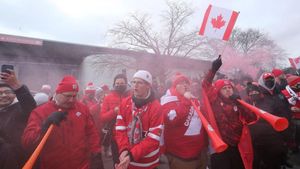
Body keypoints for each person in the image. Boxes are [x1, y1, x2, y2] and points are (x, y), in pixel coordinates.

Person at [22, 75, 104, 169]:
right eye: (68, 96)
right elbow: (27, 142)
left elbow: (92, 133)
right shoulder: (40, 112)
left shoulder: (82, 109)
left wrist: (96, 155)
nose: (71, 100)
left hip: (81, 165)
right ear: (57, 93)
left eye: (74, 96)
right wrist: (45, 125)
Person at [202, 56, 256, 169]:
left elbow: (251, 118)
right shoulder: (215, 101)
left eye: (229, 87)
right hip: (220, 147)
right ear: (218, 91)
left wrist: (240, 103)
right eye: (224, 88)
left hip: (238, 146)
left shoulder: (237, 102)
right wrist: (213, 70)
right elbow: (205, 85)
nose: (228, 90)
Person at [115, 70, 162, 169]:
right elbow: (120, 130)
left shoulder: (156, 107)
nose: (135, 85)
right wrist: (124, 149)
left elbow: (153, 139)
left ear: (148, 85)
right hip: (128, 160)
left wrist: (131, 155)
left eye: (140, 82)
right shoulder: (125, 103)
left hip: (148, 163)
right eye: (134, 82)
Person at [160, 73, 208, 169]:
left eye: (186, 83)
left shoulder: (194, 99)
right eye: (180, 83)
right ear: (174, 86)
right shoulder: (168, 100)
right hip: (180, 157)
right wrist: (186, 100)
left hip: (199, 153)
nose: (185, 85)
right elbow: (173, 119)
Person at [0, 69, 36, 169]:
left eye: (7, 92)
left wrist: (17, 86)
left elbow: (30, 106)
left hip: (21, 159)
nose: (3, 96)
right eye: (0, 93)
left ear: (14, 94)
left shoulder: (20, 108)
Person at [246, 82, 287, 169]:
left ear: (259, 93)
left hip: (270, 138)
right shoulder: (246, 104)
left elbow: (279, 116)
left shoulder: (269, 102)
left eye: (255, 92)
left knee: (272, 162)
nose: (253, 94)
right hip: (254, 140)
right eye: (251, 93)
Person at [100, 73, 131, 160]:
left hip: (130, 135)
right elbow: (102, 117)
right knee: (117, 161)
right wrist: (114, 111)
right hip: (115, 136)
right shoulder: (108, 98)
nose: (119, 85)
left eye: (122, 83)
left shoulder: (132, 96)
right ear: (114, 84)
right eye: (117, 83)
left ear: (126, 84)